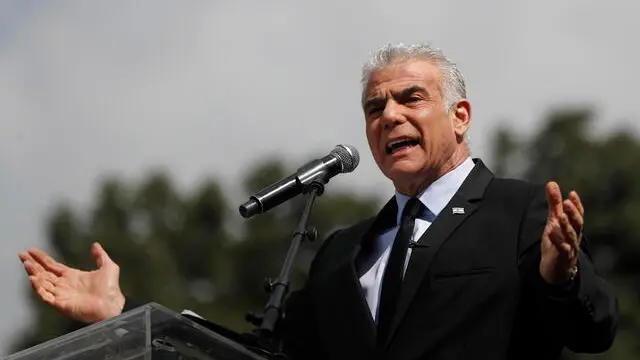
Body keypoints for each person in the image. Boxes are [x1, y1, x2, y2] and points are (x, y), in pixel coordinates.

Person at [19, 43, 618, 360]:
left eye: (411, 98)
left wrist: (559, 277)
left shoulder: (522, 212)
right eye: (375, 107)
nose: (390, 116)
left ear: (460, 116)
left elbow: (595, 330)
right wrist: (125, 312)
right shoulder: (341, 253)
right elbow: (253, 357)